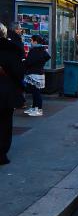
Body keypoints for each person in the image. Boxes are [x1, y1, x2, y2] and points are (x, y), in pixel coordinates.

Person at [0, 23, 24, 165]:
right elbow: (18, 73)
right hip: (5, 93)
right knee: (4, 123)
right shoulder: (11, 50)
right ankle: (1, 152)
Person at [23, 35, 50, 117]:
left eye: (31, 40)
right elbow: (46, 57)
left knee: (36, 93)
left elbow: (29, 62)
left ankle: (38, 109)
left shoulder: (35, 50)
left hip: (34, 73)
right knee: (35, 92)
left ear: (35, 41)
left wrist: (24, 61)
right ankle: (35, 107)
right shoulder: (42, 50)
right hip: (39, 72)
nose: (30, 42)